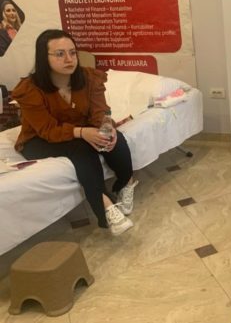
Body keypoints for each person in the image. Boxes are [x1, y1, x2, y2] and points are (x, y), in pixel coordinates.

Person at [11, 29, 138, 235]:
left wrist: (107, 128)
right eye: (60, 54)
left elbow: (100, 111)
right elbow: (47, 129)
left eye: (72, 52)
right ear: (44, 57)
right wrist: (82, 132)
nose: (69, 59)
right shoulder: (30, 88)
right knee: (81, 149)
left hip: (79, 129)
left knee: (115, 139)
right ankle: (106, 208)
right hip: (39, 138)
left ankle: (126, 183)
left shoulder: (88, 77)